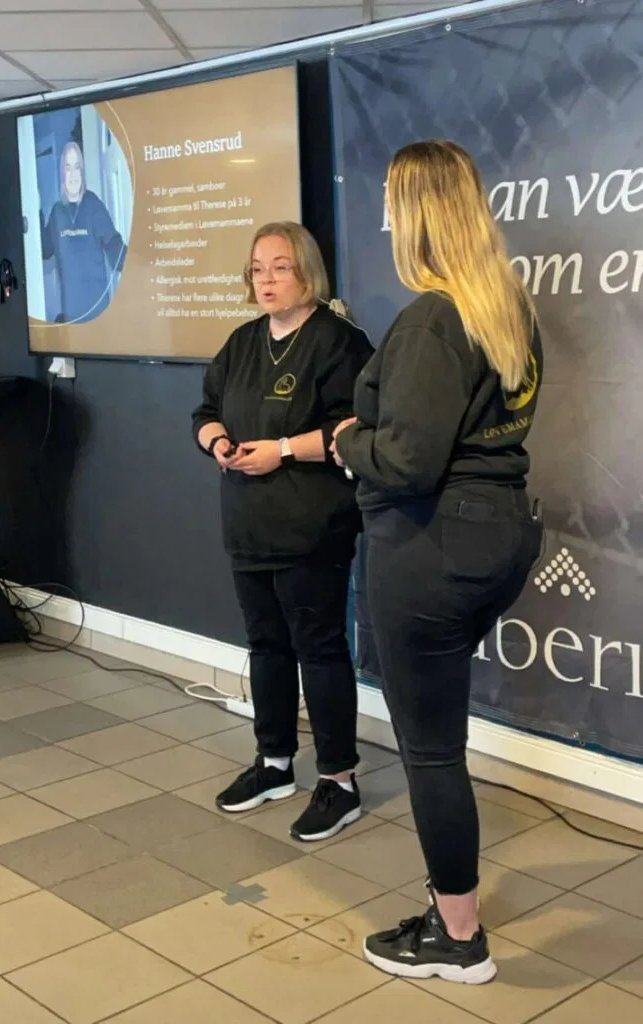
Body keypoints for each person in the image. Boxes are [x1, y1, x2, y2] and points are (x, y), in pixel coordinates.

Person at [333, 140, 543, 984]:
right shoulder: (506, 307)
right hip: (498, 534)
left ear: (416, 213)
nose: (384, 217)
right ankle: (450, 915)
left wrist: (346, 441)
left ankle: (457, 939)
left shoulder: (432, 317)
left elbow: (406, 461)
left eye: (391, 201)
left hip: (432, 547)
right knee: (438, 737)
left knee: (429, 750)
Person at [192, 221, 373, 841]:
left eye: (280, 267)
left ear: (306, 272)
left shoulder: (339, 341)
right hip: (248, 525)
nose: (266, 280)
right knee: (265, 645)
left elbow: (356, 430)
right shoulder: (242, 341)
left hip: (312, 528)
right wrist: (217, 441)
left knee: (318, 649)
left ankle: (339, 782)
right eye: (257, 269)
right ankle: (274, 764)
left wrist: (283, 450)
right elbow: (205, 410)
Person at [40, 141, 127, 324]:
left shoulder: (93, 205)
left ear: (82, 172)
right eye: (68, 167)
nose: (73, 174)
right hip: (71, 317)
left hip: (98, 316)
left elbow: (116, 250)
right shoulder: (57, 213)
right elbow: (44, 250)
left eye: (77, 167)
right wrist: (36, 211)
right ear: (62, 173)